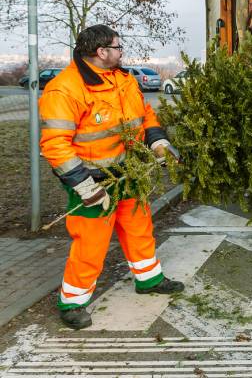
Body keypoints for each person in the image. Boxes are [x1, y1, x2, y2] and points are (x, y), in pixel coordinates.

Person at [38, 25, 184, 330]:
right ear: (101, 51)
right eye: (118, 47)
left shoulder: (123, 80)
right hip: (92, 179)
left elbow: (144, 117)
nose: (122, 51)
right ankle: (73, 302)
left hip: (128, 172)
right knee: (91, 243)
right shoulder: (65, 89)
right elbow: (55, 145)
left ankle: (149, 279)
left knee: (139, 227)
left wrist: (157, 141)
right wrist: (85, 186)